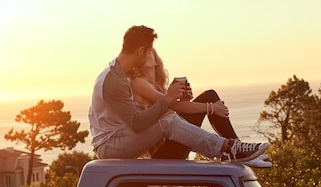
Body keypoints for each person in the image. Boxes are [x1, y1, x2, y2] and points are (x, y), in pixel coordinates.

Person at [89, 25, 269, 163]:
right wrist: (167, 100)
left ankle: (228, 148)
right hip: (110, 146)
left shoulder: (119, 74)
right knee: (167, 121)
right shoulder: (114, 81)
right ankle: (229, 148)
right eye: (149, 51)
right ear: (140, 51)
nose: (151, 56)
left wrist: (176, 101)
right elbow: (136, 124)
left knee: (168, 117)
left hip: (120, 138)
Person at [129, 47, 272, 167]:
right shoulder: (138, 83)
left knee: (210, 96)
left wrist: (185, 99)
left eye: (150, 52)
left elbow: (172, 112)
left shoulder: (158, 88)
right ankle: (238, 150)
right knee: (209, 96)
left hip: (174, 144)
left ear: (156, 61)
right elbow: (172, 109)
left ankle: (239, 151)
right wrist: (211, 108)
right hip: (163, 153)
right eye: (143, 54)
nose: (147, 55)